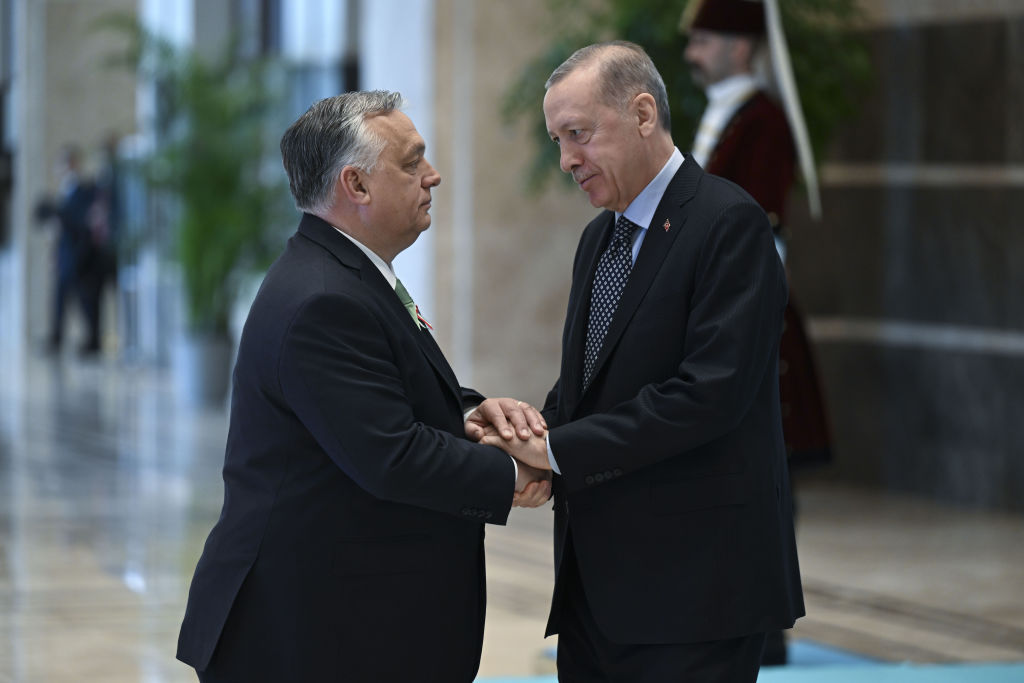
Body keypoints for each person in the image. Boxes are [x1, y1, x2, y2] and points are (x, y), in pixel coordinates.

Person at [176, 91, 550, 683]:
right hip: (309, 634)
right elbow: (389, 454)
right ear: (357, 185)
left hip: (338, 621)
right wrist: (514, 474)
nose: (433, 176)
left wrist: (470, 414)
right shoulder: (324, 297)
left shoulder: (344, 273)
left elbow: (381, 390)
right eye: (410, 163)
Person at [478, 42, 804, 682]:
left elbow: (707, 395)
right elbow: (589, 384)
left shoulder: (727, 222)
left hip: (696, 592)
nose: (568, 159)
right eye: (558, 141)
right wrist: (526, 434)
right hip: (597, 592)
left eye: (579, 134)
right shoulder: (600, 235)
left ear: (644, 113)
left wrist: (562, 450)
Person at [683, 0, 833, 663]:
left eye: (706, 39)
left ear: (742, 48)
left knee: (763, 473)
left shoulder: (762, 120)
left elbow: (756, 228)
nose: (692, 51)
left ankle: (765, 626)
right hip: (714, 314)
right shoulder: (727, 115)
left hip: (750, 319)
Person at [34, 144, 101, 355]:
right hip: (65, 254)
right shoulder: (64, 192)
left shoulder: (83, 191)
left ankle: (92, 340)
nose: (59, 169)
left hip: (79, 256)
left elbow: (81, 223)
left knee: (85, 300)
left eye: (62, 163)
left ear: (72, 164)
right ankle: (56, 339)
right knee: (60, 299)